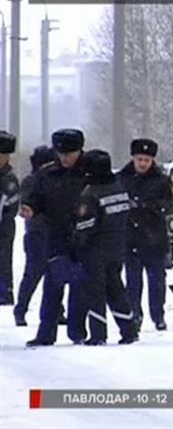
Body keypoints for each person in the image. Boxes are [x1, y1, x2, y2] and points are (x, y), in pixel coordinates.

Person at [23, 129, 90, 346]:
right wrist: (31, 208)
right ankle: (46, 333)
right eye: (61, 153)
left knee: (80, 286)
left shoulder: (91, 172)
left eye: (69, 153)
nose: (64, 158)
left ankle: (77, 331)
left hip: (85, 236)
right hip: (56, 236)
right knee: (52, 286)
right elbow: (36, 198)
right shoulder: (47, 174)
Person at [72, 150, 139, 345]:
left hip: (94, 250)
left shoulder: (90, 193)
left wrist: (75, 244)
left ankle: (98, 334)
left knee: (95, 292)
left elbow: (85, 225)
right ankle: (129, 329)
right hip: (117, 247)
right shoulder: (119, 188)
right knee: (116, 289)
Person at [118, 139, 173, 331]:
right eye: (139, 159)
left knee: (157, 280)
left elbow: (169, 205)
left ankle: (158, 314)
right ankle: (134, 313)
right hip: (130, 236)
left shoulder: (161, 180)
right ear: (133, 158)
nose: (143, 163)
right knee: (133, 281)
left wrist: (151, 206)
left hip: (154, 237)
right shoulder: (122, 178)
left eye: (147, 160)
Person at [14, 146, 59, 325]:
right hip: (37, 233)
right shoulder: (32, 181)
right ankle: (21, 309)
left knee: (54, 274)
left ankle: (55, 311)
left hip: (49, 232)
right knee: (34, 273)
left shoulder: (48, 180)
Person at [0, 131, 20, 306]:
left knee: (3, 258)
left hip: (4, 227)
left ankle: (4, 292)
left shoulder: (9, 180)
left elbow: (10, 207)